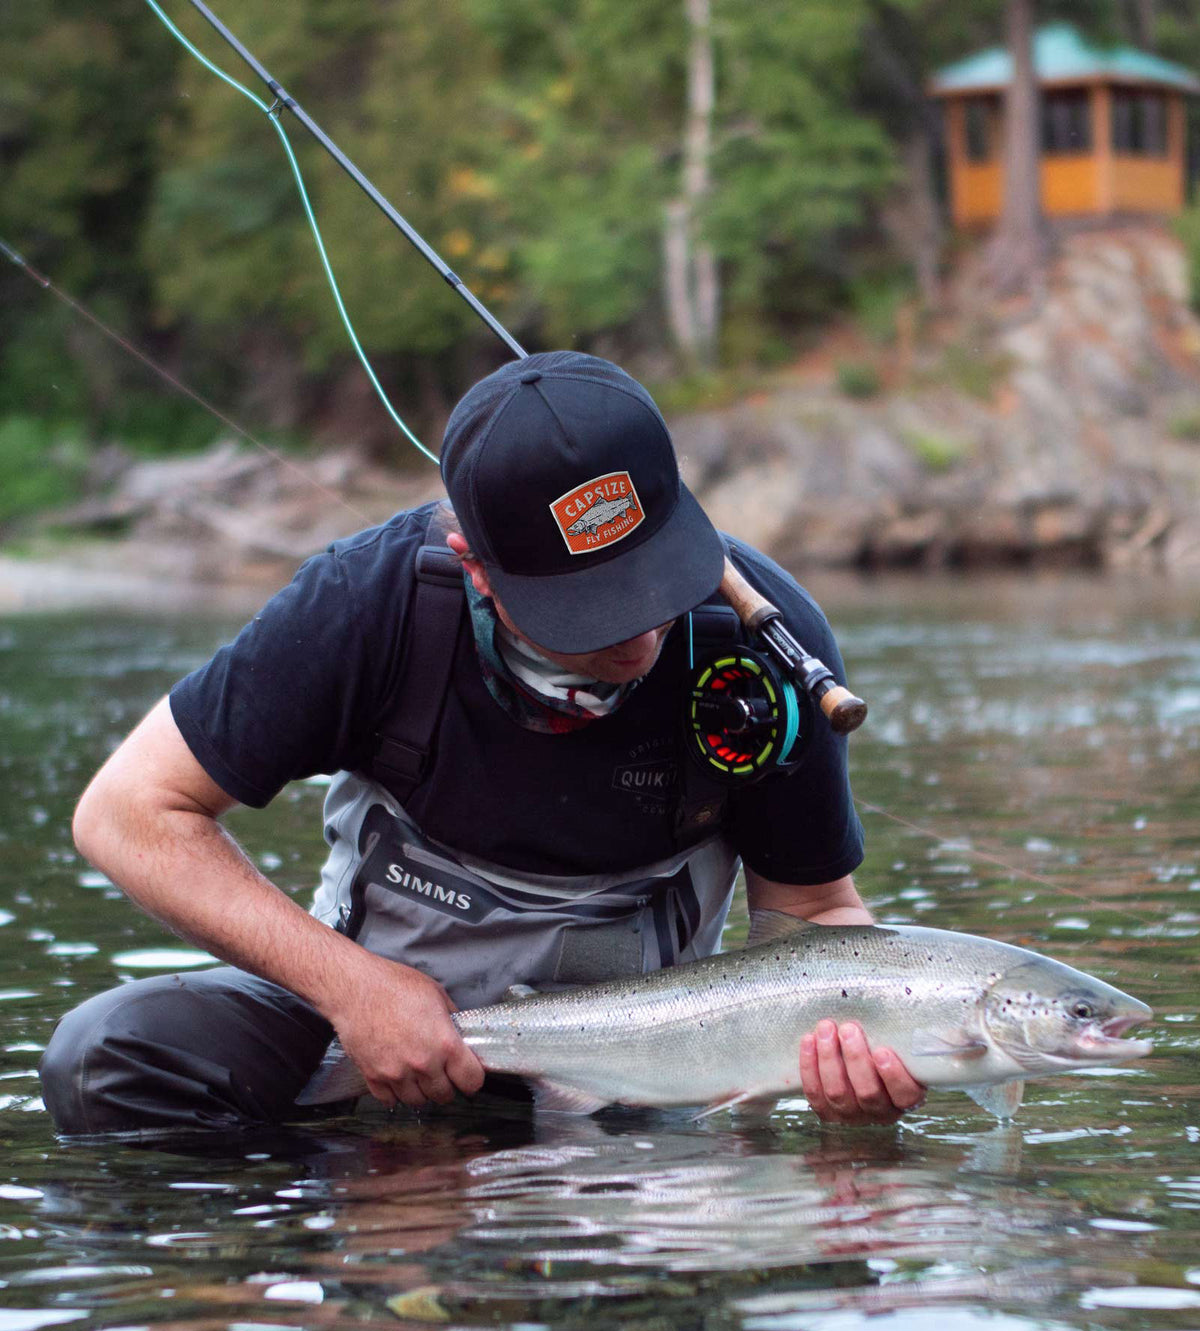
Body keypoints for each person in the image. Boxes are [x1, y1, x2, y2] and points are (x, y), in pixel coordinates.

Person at [39, 351, 926, 1135]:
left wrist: (853, 1056)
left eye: (653, 586)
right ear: (474, 565)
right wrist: (351, 988)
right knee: (105, 1060)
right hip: (370, 1023)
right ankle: (290, 1243)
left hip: (635, 1071)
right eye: (587, 613)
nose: (638, 641)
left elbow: (814, 915)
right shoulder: (366, 605)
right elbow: (126, 813)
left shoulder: (768, 649)